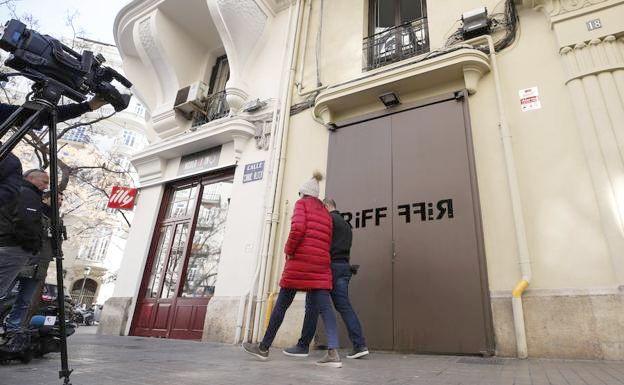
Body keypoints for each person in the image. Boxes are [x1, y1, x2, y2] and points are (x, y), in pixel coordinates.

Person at [243, 172, 342, 367]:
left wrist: (288, 250)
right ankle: (333, 353)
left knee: (282, 304)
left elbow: (298, 228)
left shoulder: (301, 205)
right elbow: (327, 240)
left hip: (299, 264)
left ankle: (263, 347)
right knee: (325, 308)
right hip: (320, 265)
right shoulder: (325, 212)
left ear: (304, 193)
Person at [283, 198, 369, 359]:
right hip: (344, 267)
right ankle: (360, 345)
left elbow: (320, 242)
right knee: (344, 307)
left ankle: (302, 346)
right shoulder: (346, 224)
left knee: (312, 305)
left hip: (328, 268)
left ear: (327, 206)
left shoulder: (328, 220)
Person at [0, 96, 108, 207]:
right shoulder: (10, 165)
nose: (46, 187)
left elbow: (42, 115)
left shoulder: (10, 164)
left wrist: (87, 106)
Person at [2, 184, 62, 347]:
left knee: (24, 300)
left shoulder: (57, 219)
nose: (60, 201)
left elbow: (55, 244)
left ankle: (13, 328)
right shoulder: (33, 209)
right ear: (45, 198)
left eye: (62, 199)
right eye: (57, 198)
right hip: (22, 260)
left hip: (39, 265)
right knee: (4, 293)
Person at [0, 169, 48, 352]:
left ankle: (14, 329)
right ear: (30, 178)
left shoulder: (16, 191)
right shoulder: (27, 194)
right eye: (43, 181)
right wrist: (32, 245)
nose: (45, 186)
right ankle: (12, 329)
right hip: (14, 248)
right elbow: (25, 222)